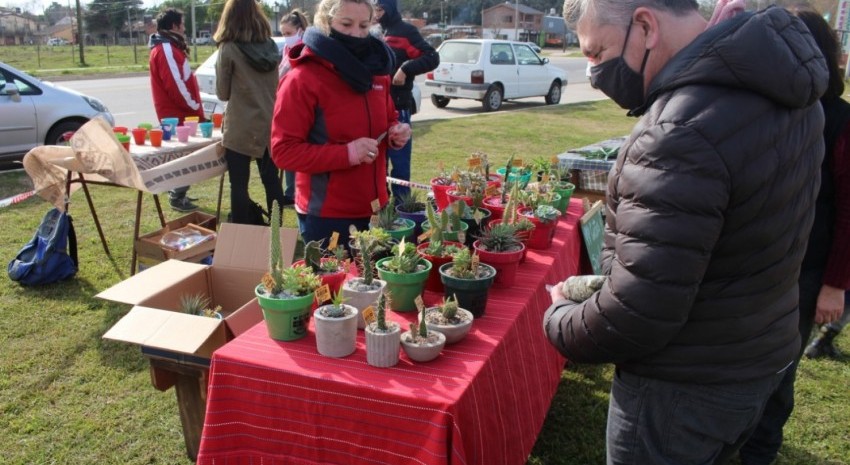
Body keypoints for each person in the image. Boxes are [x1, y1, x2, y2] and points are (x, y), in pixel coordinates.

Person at [542, 1, 828, 464]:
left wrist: (559, 319)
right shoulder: (786, 89)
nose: (593, 71)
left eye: (596, 53)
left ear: (645, 26)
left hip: (682, 386)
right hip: (755, 355)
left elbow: (637, 314)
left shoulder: (679, 132)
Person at [739, 8, 850, 465]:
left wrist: (835, 284)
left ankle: (759, 453)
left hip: (805, 272)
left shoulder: (841, 121)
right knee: (740, 364)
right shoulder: (763, 108)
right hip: (752, 268)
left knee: (779, 373)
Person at [270, 0, 411, 248]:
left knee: (377, 285)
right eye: (346, 24)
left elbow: (387, 119)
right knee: (337, 285)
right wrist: (347, 153)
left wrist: (394, 133)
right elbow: (283, 152)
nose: (356, 34)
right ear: (326, 23)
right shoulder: (303, 78)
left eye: (363, 25)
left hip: (377, 207)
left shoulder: (377, 71)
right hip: (326, 215)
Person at [213, 0, 285, 225]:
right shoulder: (271, 46)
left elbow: (222, 93)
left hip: (241, 126)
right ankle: (277, 233)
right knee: (272, 181)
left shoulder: (228, 48)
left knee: (239, 185)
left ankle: (242, 237)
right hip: (269, 123)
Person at [373, 0, 438, 204]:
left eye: (380, 9)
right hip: (376, 109)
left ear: (390, 10)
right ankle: (381, 205)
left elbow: (432, 57)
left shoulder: (406, 31)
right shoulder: (375, 32)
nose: (376, 13)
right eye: (374, 9)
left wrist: (405, 68)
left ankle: (402, 209)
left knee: (400, 165)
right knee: (377, 163)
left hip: (399, 108)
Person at [148, 8, 205, 213]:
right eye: (182, 24)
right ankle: (176, 195)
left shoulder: (170, 47)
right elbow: (176, 85)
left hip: (180, 113)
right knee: (186, 156)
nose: (184, 28)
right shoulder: (166, 49)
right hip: (179, 114)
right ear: (174, 26)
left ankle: (178, 192)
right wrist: (194, 106)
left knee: (185, 156)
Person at [278, 9, 311, 207]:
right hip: (287, 105)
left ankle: (295, 191)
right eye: (283, 34)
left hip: (300, 107)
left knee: (297, 151)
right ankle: (291, 191)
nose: (286, 38)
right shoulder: (285, 50)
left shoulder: (305, 49)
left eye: (289, 34)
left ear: (300, 31)